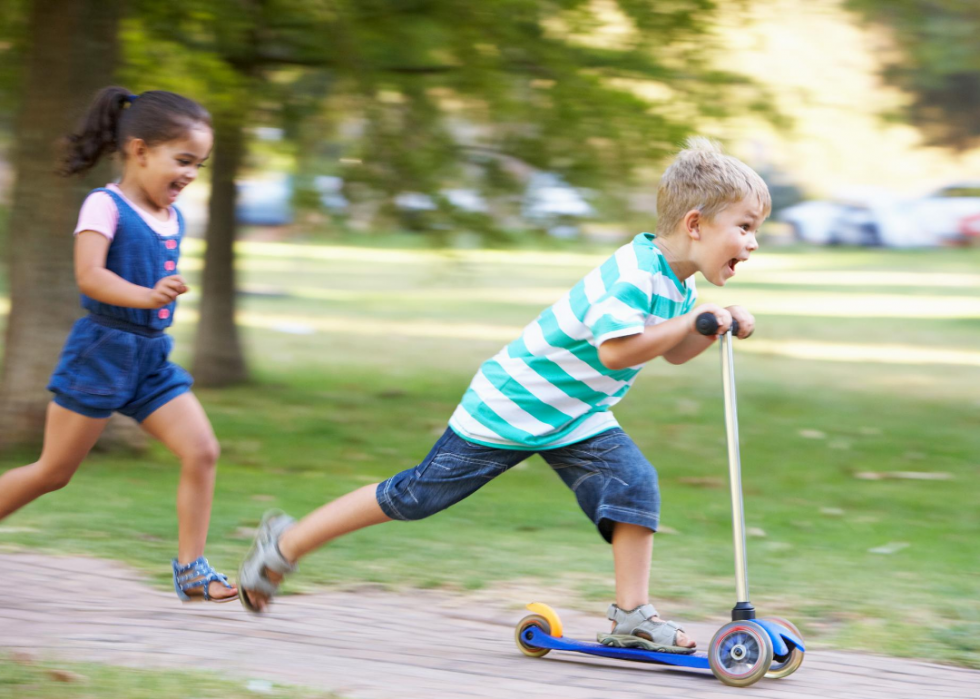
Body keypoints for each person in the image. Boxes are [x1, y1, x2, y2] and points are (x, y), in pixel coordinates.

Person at [238, 137, 767, 652]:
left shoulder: (679, 283)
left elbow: (672, 352)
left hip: (575, 413)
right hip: (512, 405)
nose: (753, 241)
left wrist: (708, 327)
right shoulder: (630, 275)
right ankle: (285, 544)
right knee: (416, 496)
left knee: (633, 484)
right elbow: (618, 352)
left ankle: (632, 616)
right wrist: (695, 322)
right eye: (744, 227)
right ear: (694, 224)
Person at [0, 86, 237, 603]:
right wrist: (147, 295)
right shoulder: (103, 205)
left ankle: (191, 570)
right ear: (140, 150)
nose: (192, 173)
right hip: (101, 353)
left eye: (200, 163)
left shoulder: (174, 215)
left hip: (151, 358)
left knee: (202, 451)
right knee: (53, 472)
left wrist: (153, 301)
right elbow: (89, 276)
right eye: (184, 160)